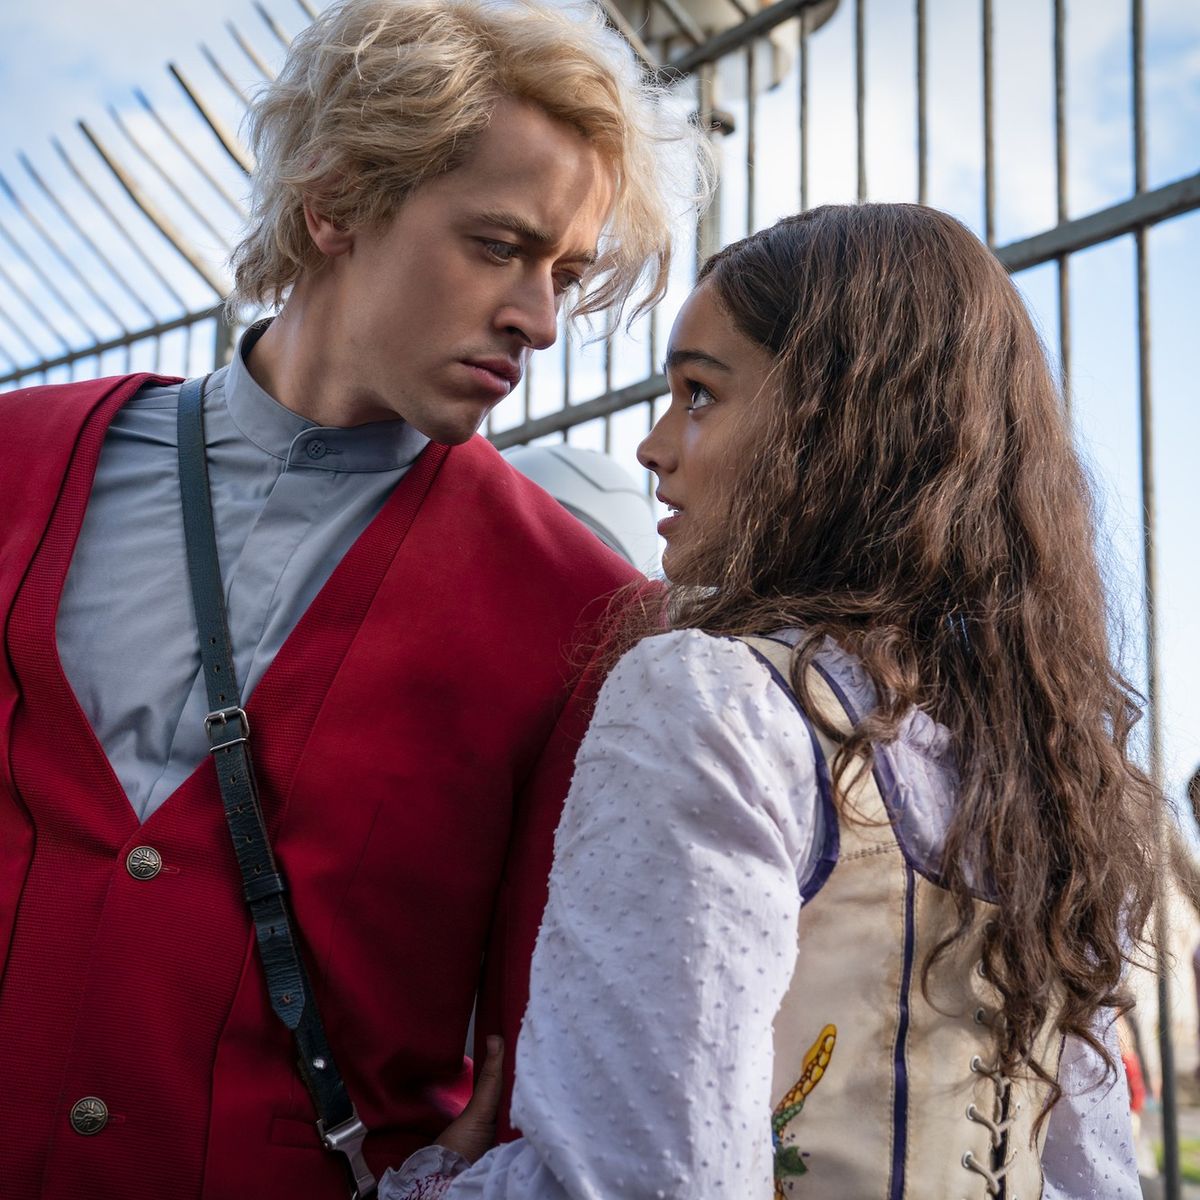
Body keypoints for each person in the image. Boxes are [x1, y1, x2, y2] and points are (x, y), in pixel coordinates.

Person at [0, 1, 702, 1196]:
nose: (539, 320)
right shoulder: (19, 462)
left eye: (566, 274)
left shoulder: (584, 614)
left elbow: (535, 1059)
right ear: (334, 204)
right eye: (498, 245)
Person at [382, 204, 1157, 1198]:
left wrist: (431, 1188)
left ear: (837, 429)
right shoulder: (1049, 766)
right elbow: (1095, 1176)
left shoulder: (715, 700)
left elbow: (650, 1179)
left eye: (699, 394)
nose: (653, 445)